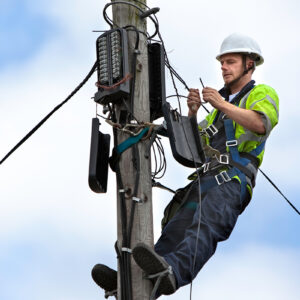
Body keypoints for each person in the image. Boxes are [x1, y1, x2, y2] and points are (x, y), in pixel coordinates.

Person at [91, 32, 279, 298]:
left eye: (231, 62)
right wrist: (192, 114)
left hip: (231, 182)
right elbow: (194, 148)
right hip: (205, 180)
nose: (224, 67)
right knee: (173, 232)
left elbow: (261, 124)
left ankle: (174, 274)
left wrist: (221, 104)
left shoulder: (261, 94)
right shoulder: (217, 110)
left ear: (249, 64)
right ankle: (130, 282)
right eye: (222, 62)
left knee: (202, 230)